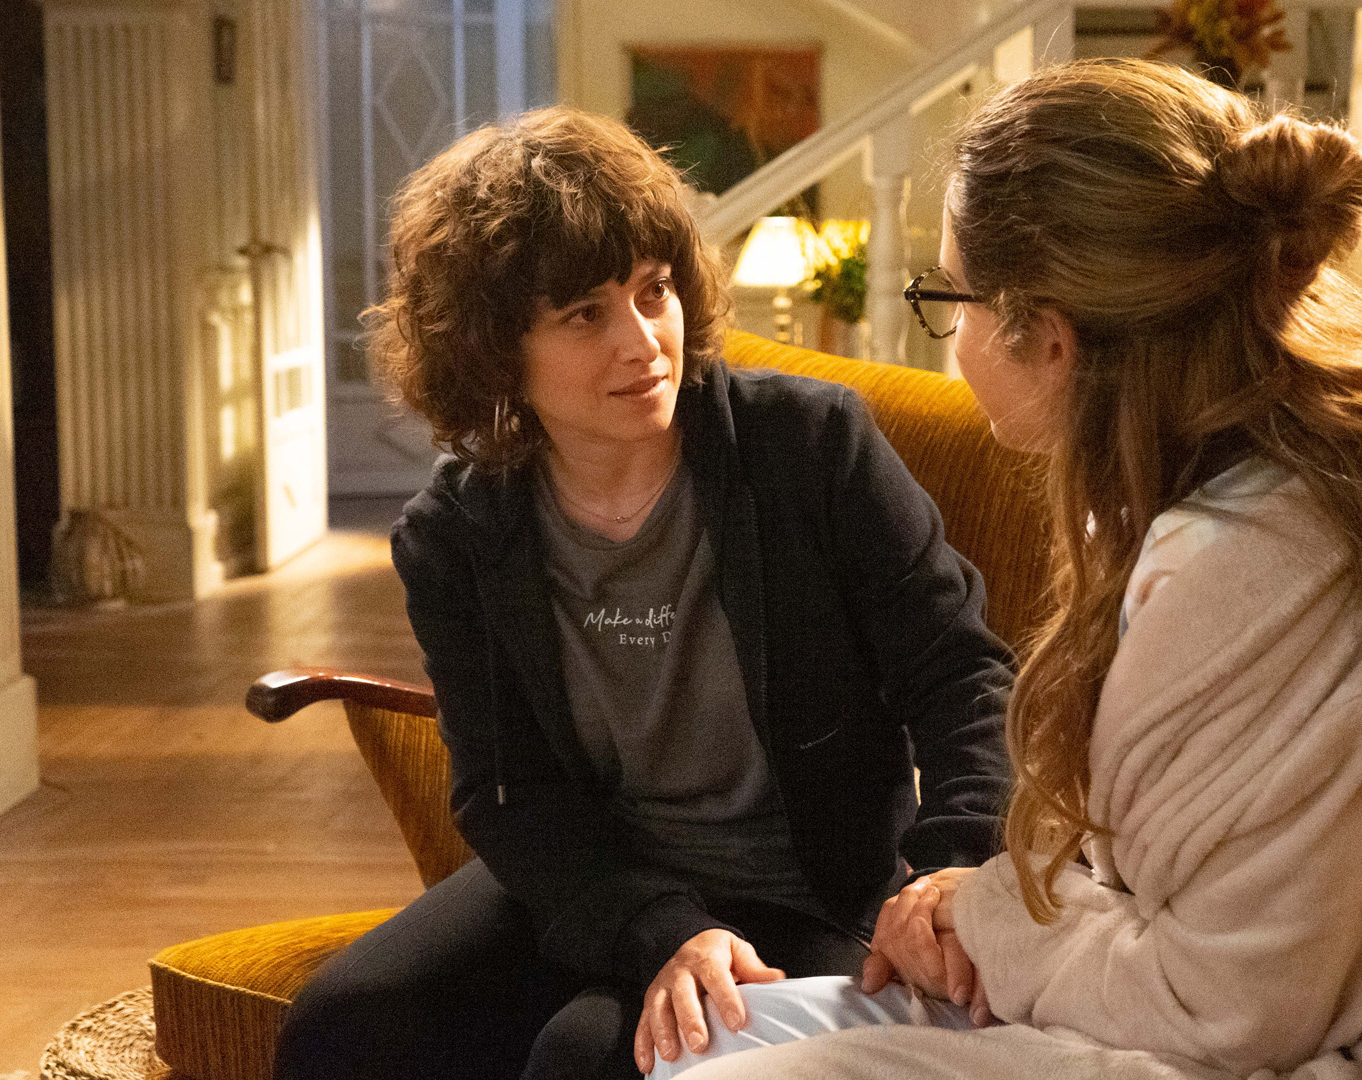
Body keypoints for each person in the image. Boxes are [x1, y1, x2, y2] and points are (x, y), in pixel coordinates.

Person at [657, 58, 1362, 1080]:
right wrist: (977, 904)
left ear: (1049, 338)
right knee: (726, 1042)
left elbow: (1218, 1010)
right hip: (1330, 1021)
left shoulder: (1259, 559)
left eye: (952, 299)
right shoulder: (1264, 485)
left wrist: (988, 917)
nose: (954, 339)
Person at [271, 107, 1014, 1080]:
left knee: (587, 1057)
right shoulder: (457, 534)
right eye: (586, 315)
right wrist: (662, 929)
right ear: (495, 349)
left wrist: (955, 868)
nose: (644, 342)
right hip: (604, 876)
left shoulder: (810, 448)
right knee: (342, 1026)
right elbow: (508, 794)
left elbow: (961, 676)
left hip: (806, 886)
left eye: (653, 291)